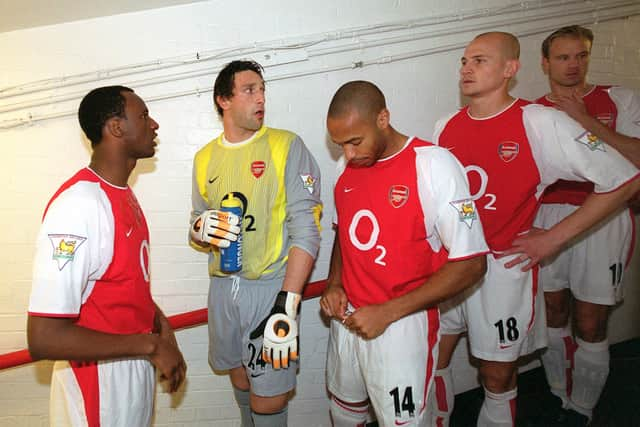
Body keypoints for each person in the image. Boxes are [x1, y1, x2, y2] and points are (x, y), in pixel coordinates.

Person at [428, 32, 640, 427]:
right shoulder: (445, 126)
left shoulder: (540, 121)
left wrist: (553, 238)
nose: (466, 68)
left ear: (510, 69)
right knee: (429, 360)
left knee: (496, 375)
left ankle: (578, 407)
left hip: (502, 270)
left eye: (480, 60)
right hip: (452, 267)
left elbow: (624, 178)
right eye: (464, 60)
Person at [320, 80, 489, 427]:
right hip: (349, 319)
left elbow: (472, 263)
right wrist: (334, 282)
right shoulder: (346, 168)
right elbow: (344, 234)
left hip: (401, 324)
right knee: (344, 412)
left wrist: (387, 312)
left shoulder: (434, 165)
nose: (348, 154)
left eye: (355, 141)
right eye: (340, 145)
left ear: (383, 118)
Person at [27, 86, 186, 427]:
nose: (154, 124)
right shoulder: (78, 205)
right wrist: (152, 347)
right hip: (96, 381)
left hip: (131, 368)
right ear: (116, 128)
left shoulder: (122, 195)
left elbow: (121, 284)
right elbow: (43, 337)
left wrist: (160, 325)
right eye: (143, 116)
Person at [189, 60, 322, 427]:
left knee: (271, 399)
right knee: (239, 378)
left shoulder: (286, 146)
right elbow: (197, 226)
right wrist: (201, 229)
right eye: (250, 90)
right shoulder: (204, 159)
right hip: (222, 289)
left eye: (262, 89)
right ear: (223, 100)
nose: (261, 97)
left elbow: (307, 231)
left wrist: (287, 303)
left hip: (270, 290)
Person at [533, 25, 640, 424]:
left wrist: (584, 119)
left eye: (580, 56)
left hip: (604, 215)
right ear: (545, 63)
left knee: (592, 319)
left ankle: (583, 408)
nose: (573, 65)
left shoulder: (619, 98)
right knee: (552, 309)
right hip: (548, 217)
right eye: (563, 57)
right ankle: (559, 394)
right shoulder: (532, 112)